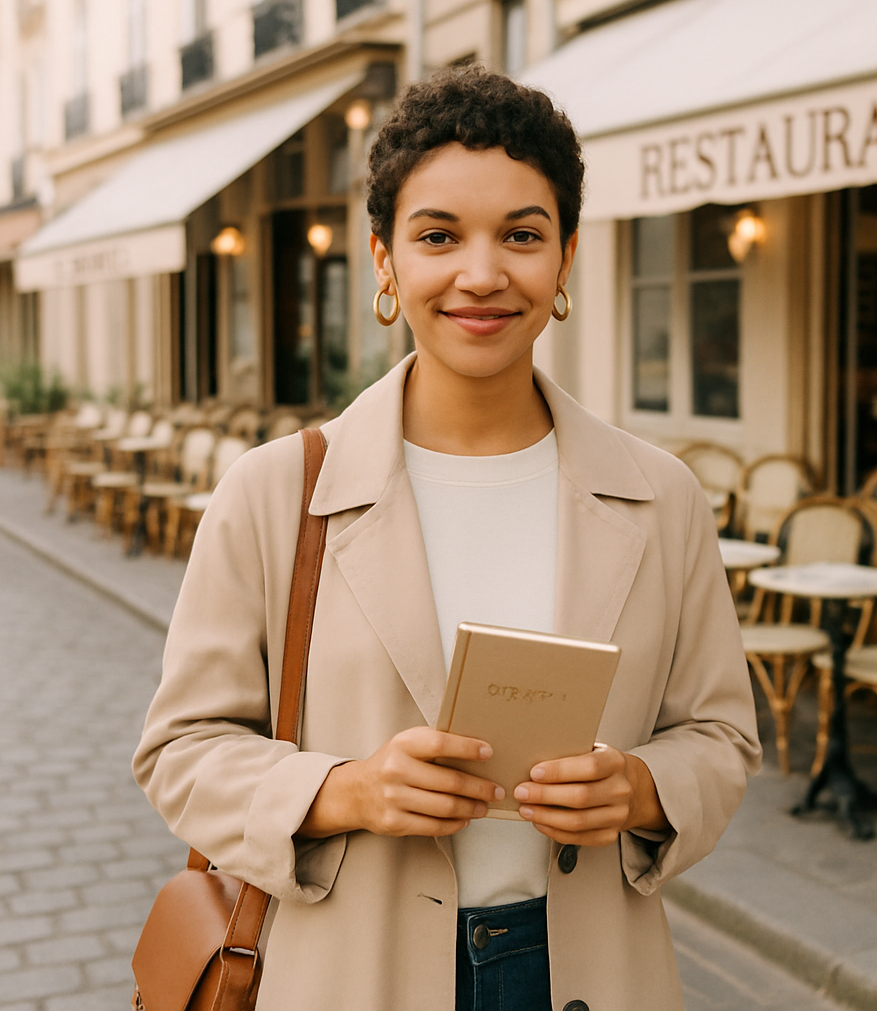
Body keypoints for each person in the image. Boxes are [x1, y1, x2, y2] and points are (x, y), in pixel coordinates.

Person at [134, 66, 760, 1011]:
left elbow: (721, 736)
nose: (482, 273)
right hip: (354, 970)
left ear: (566, 260)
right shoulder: (275, 491)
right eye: (438, 236)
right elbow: (179, 749)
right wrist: (344, 791)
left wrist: (639, 789)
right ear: (384, 261)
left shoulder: (659, 496)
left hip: (588, 967)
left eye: (521, 234)